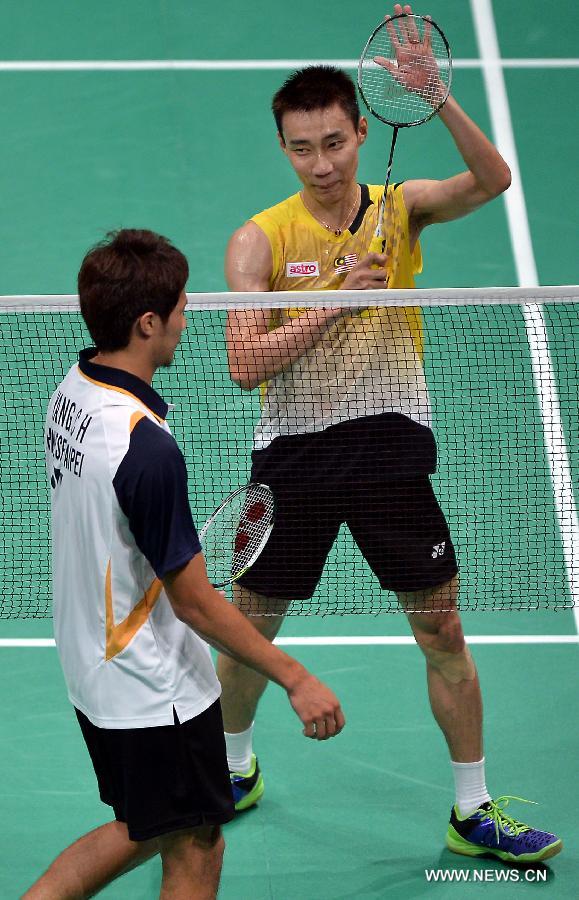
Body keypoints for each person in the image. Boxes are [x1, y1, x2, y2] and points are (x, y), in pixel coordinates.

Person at [217, 4, 562, 864]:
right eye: (302, 148)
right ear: (283, 149)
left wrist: (440, 98)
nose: (321, 163)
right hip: (293, 457)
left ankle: (470, 807)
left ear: (361, 131)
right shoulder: (259, 241)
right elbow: (243, 367)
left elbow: (492, 180)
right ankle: (228, 768)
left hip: (390, 453)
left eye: (334, 142)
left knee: (441, 632)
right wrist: (335, 302)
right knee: (250, 629)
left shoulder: (399, 208)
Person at [26, 228, 345, 900]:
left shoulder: (72, 391)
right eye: (178, 307)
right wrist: (295, 676)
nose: (186, 316)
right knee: (196, 843)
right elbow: (194, 602)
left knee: (145, 825)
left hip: (92, 670)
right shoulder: (146, 450)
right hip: (152, 688)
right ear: (147, 323)